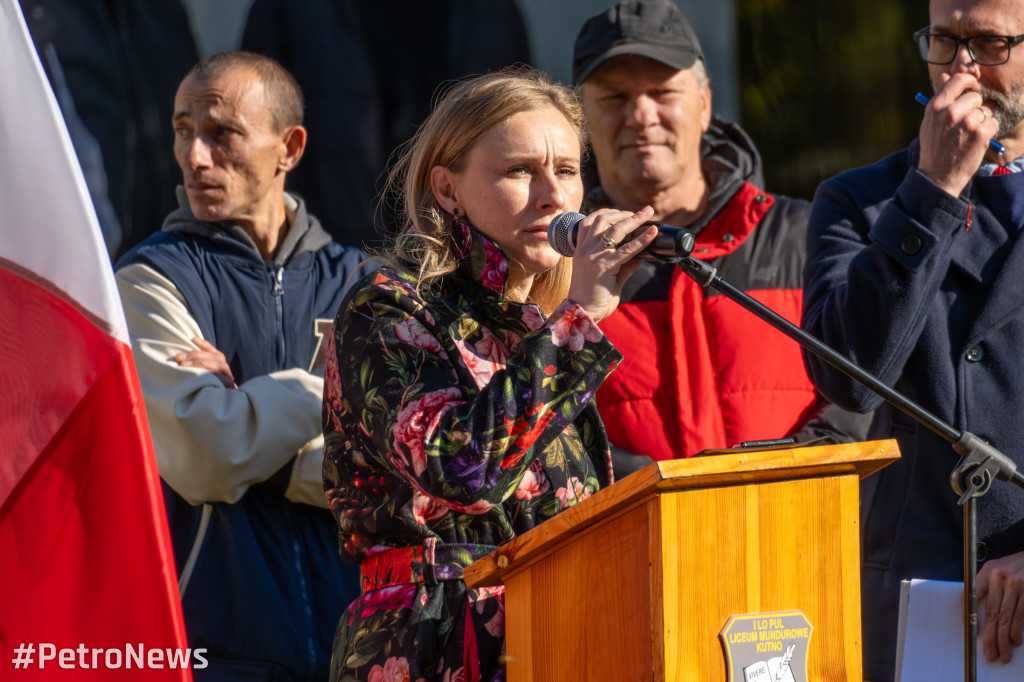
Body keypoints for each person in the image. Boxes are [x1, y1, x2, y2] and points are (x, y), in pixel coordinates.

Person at [321, 67, 658, 682]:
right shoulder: (388, 307)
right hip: (438, 644)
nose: (552, 195)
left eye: (565, 170)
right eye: (518, 171)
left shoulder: (539, 326)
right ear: (447, 190)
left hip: (557, 635)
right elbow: (460, 469)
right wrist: (578, 321)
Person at [115, 52, 374, 681]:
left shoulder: (369, 288)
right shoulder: (146, 279)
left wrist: (248, 407)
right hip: (211, 651)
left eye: (222, 134)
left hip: (368, 648)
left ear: (289, 147)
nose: (195, 157)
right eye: (182, 130)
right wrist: (329, 403)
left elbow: (394, 476)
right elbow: (205, 455)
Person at [801, 0, 1024, 678]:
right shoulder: (859, 200)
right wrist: (932, 189)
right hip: (921, 605)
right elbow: (848, 376)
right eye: (944, 40)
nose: (962, 65)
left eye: (988, 42)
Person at [572, 0, 870, 472]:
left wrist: (777, 486)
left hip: (801, 527)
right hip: (636, 539)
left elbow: (863, 389)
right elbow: (551, 425)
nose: (641, 115)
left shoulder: (807, 235)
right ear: (581, 121)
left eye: (663, 92)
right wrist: (654, 495)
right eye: (614, 98)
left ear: (706, 104)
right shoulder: (557, 266)